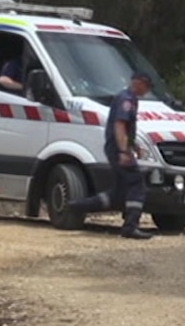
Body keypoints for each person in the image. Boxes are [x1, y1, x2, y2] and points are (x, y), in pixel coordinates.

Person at [66, 71, 154, 239]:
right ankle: (131, 226)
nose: (147, 90)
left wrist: (133, 145)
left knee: (118, 193)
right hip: (117, 149)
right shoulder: (126, 99)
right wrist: (123, 151)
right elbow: (120, 125)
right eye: (147, 86)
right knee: (137, 184)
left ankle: (77, 206)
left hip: (117, 147)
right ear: (139, 83)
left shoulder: (129, 98)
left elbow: (125, 127)